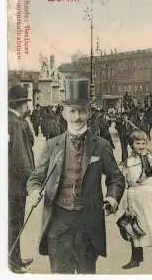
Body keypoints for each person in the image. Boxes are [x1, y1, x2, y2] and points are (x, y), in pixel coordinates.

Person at [26, 77, 126, 274]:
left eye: (82, 111)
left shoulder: (102, 145)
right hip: (58, 224)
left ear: (89, 112)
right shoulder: (51, 145)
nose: (77, 117)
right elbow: (35, 178)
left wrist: (112, 198)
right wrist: (35, 191)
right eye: (72, 111)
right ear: (64, 113)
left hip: (88, 226)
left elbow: (116, 178)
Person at [120, 130, 152, 271]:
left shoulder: (149, 159)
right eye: (137, 143)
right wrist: (126, 201)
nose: (140, 146)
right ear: (131, 145)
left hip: (147, 193)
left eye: (143, 143)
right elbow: (125, 181)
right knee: (135, 225)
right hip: (133, 195)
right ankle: (136, 258)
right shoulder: (127, 162)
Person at [8, 84, 35, 273]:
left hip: (11, 181)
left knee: (14, 221)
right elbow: (20, 156)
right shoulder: (16, 124)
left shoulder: (14, 120)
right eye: (26, 102)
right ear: (21, 104)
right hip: (16, 183)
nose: (28, 106)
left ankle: (14, 257)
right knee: (16, 221)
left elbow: (31, 141)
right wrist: (31, 180)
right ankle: (13, 261)